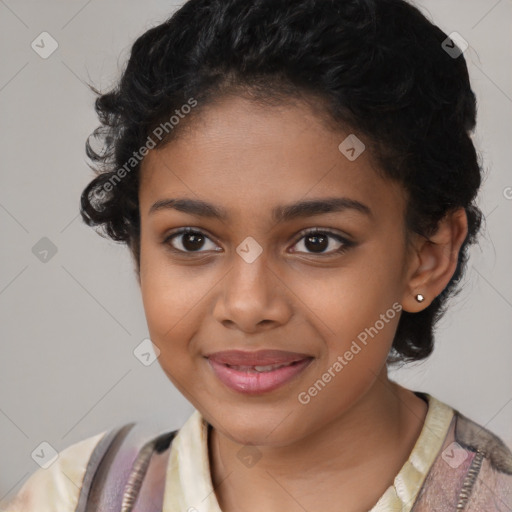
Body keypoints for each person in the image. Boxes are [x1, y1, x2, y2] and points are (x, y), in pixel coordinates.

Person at [3, 0, 512, 510]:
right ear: (139, 252)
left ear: (427, 256)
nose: (248, 306)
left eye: (317, 241)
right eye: (192, 240)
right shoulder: (67, 498)